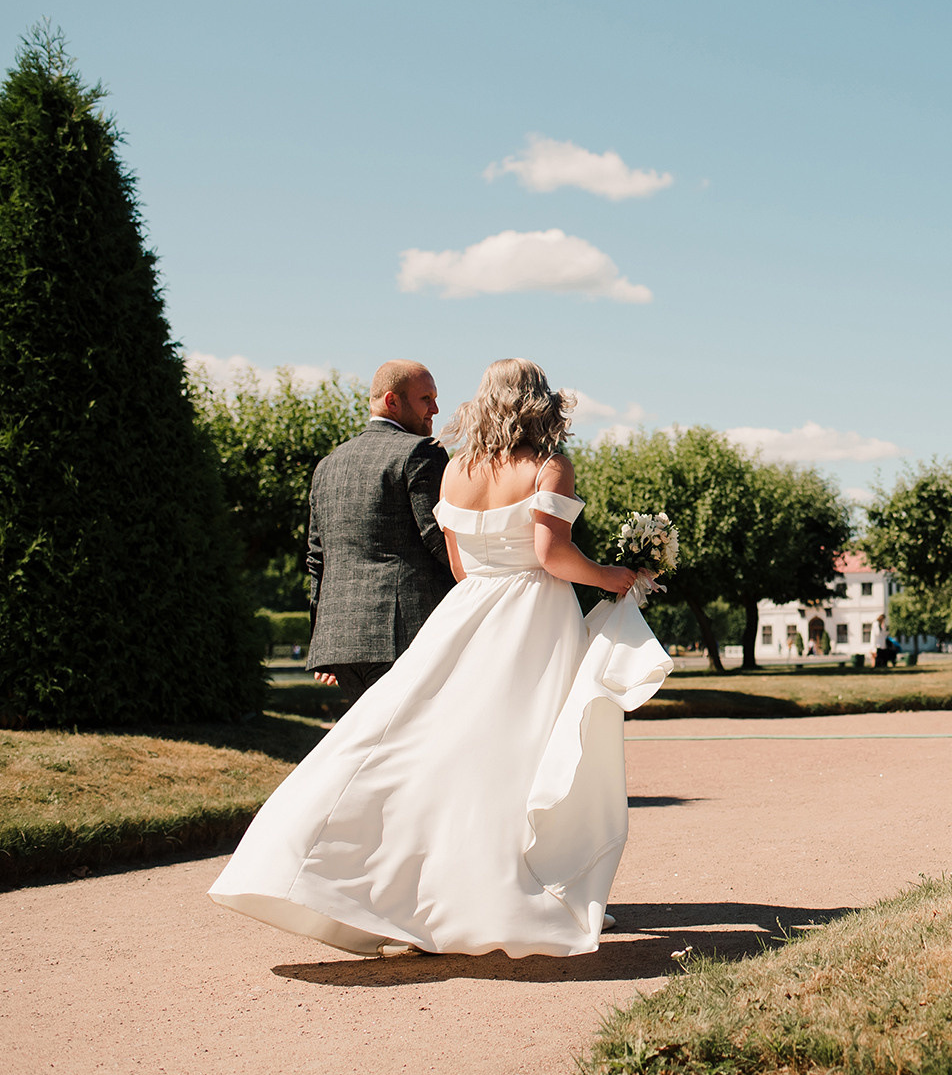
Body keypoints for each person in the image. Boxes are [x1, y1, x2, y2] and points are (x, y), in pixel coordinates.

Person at [210, 358, 669, 958]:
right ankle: (517, 893)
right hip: (532, 617)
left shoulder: (456, 469)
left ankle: (349, 873)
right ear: (540, 403)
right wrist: (613, 576)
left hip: (467, 612)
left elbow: (458, 568)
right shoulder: (547, 465)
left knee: (423, 741)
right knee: (521, 754)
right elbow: (551, 555)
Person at [304, 360, 454, 698]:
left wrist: (322, 639)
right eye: (426, 398)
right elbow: (438, 537)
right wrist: (485, 587)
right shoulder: (421, 452)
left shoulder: (328, 464)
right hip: (405, 635)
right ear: (392, 401)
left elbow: (317, 559)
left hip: (339, 643)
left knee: (376, 747)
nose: (435, 408)